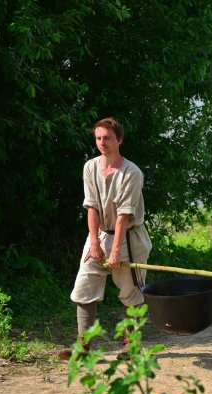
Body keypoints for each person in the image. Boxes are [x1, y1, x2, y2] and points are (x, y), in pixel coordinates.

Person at [58, 117, 152, 360]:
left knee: (131, 294)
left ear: (119, 139)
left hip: (130, 240)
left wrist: (114, 251)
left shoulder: (132, 172)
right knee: (84, 286)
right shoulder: (90, 167)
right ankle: (84, 347)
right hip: (98, 234)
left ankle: (130, 346)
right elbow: (91, 207)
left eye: (107, 138)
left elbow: (123, 215)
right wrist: (96, 243)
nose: (102, 142)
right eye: (98, 138)